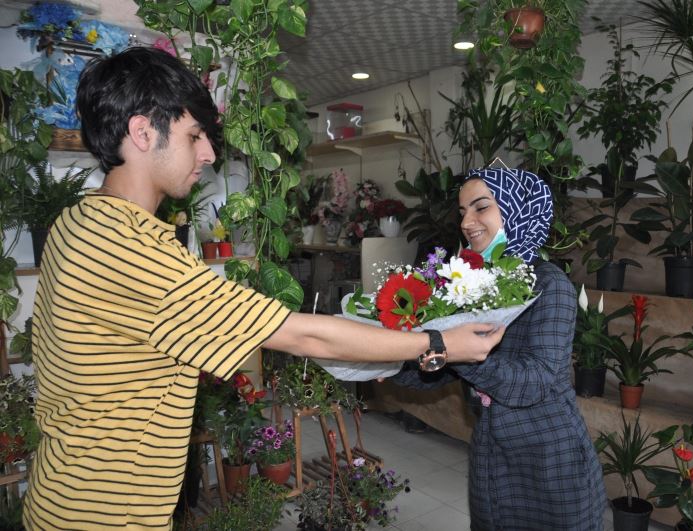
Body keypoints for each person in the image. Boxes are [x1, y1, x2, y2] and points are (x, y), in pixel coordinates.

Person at [22, 47, 505, 531]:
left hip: (71, 495)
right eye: (195, 136)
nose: (209, 153)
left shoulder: (79, 220)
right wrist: (439, 343)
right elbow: (301, 336)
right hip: (103, 514)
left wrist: (381, 351)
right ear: (143, 132)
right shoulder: (129, 248)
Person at [389, 167, 606, 530]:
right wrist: (389, 363)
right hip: (491, 453)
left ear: (517, 209)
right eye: (462, 212)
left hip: (550, 460)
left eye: (480, 208)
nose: (467, 222)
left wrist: (454, 351)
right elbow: (441, 371)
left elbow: (534, 382)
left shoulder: (550, 286)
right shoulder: (469, 283)